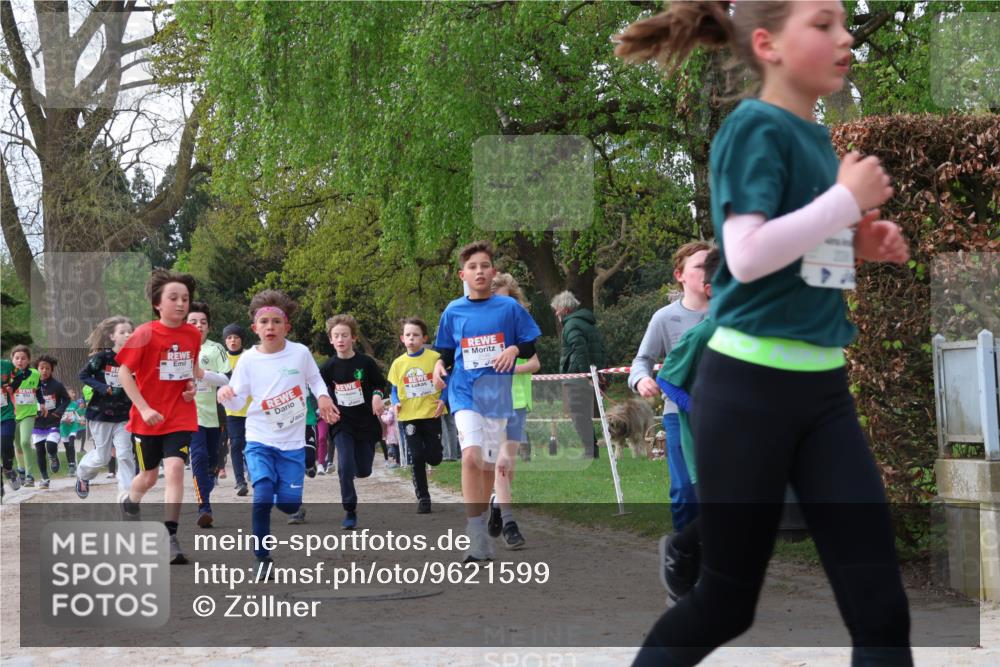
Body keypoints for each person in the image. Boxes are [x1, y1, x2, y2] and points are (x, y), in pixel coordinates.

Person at [616, 2, 912, 664]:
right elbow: (744, 256)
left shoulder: (813, 138)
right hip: (748, 392)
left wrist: (860, 241)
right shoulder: (752, 127)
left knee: (882, 609)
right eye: (824, 23)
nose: (845, 38)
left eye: (844, 23)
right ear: (767, 44)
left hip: (824, 392)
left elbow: (798, 247)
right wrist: (844, 201)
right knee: (725, 603)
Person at [433, 241, 541, 563]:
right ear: (461, 274)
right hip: (464, 392)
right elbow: (447, 355)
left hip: (496, 394)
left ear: (493, 272)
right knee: (470, 458)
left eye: (484, 266)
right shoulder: (453, 311)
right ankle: (475, 535)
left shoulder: (508, 309)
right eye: (473, 267)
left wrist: (512, 350)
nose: (479, 271)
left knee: (487, 467)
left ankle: (483, 528)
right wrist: (439, 367)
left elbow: (528, 345)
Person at [116, 269, 204, 565]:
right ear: (158, 303)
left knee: (176, 468)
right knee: (148, 477)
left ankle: (170, 536)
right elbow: (123, 372)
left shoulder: (192, 334)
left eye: (186, 299)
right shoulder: (145, 333)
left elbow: (188, 373)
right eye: (174, 298)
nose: (181, 304)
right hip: (147, 418)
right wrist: (143, 407)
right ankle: (130, 502)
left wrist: (191, 388)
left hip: (179, 415)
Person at [628, 240, 712, 534]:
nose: (708, 271)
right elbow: (642, 360)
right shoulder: (665, 318)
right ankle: (684, 552)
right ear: (680, 275)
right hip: (680, 415)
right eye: (700, 266)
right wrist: (642, 379)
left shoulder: (730, 313)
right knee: (685, 491)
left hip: (725, 415)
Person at [654, 247, 720, 606]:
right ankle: (682, 555)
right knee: (695, 498)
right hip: (695, 430)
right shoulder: (696, 331)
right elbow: (665, 378)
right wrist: (693, 407)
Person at [488, 273, 540, 549]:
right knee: (501, 463)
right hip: (491, 400)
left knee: (509, 464)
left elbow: (535, 363)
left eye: (507, 301)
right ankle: (509, 524)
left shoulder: (521, 328)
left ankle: (497, 502)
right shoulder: (483, 328)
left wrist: (513, 365)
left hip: (518, 399)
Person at [321, 314, 387, 530]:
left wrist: (377, 395)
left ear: (354, 338)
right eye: (336, 336)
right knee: (345, 465)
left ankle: (361, 470)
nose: (340, 340)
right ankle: (349, 509)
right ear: (331, 340)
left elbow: (380, 384)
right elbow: (319, 391)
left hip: (366, 423)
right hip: (342, 423)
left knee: (363, 470)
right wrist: (324, 407)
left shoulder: (365, 363)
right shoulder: (328, 367)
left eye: (345, 335)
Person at [387, 317, 446, 513]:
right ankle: (423, 497)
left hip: (431, 413)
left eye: (416, 335)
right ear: (402, 339)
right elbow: (395, 389)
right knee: (417, 456)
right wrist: (395, 403)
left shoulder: (435, 358)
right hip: (409, 416)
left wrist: (443, 399)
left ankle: (436, 452)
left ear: (424, 338)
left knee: (435, 457)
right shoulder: (398, 363)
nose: (411, 338)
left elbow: (447, 381)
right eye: (408, 335)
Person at [76, 316, 137, 499]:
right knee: (103, 457)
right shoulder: (103, 357)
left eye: (130, 332)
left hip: (125, 415)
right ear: (112, 336)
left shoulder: (136, 357)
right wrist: (103, 388)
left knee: (125, 453)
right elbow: (84, 375)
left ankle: (127, 494)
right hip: (100, 414)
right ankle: (82, 474)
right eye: (122, 332)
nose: (127, 335)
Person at [187, 302, 232, 528]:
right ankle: (204, 506)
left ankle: (208, 482)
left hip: (215, 415)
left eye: (203, 322)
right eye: (193, 322)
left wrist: (201, 374)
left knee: (213, 461)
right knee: (199, 457)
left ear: (209, 327)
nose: (198, 326)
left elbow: (227, 378)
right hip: (189, 416)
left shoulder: (216, 350)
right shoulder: (175, 348)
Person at [551, 291, 605, 458]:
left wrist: (585, 375)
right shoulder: (586, 323)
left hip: (577, 376)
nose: (556, 313)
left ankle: (590, 450)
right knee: (582, 413)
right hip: (588, 373)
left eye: (557, 309)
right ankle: (591, 449)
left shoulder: (571, 325)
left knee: (577, 413)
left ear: (565, 309)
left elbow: (580, 352)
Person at [30, 355, 71, 488]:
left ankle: (53, 456)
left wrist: (58, 412)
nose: (44, 371)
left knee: (51, 445)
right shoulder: (31, 384)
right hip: (37, 422)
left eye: (47, 368)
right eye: (42, 368)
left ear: (52, 370)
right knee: (39, 450)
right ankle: (44, 478)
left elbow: (66, 399)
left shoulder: (57, 385)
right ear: (37, 369)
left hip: (52, 420)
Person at [222, 322, 251, 496]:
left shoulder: (249, 356)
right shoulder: (222, 358)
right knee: (236, 444)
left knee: (252, 444)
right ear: (225, 341)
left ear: (241, 340)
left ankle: (254, 475)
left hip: (252, 409)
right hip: (231, 411)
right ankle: (240, 481)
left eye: (236, 337)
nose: (233, 341)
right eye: (229, 337)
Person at [9, 345, 40, 486]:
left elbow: (38, 391)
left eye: (23, 358)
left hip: (29, 413)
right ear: (12, 359)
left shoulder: (35, 374)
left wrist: (43, 403)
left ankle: (30, 475)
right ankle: (21, 469)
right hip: (12, 414)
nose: (20, 361)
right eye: (17, 358)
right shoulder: (7, 375)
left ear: (28, 360)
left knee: (25, 442)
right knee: (17, 445)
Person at [1, 357, 21, 493]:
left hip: (6, 415)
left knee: (6, 444)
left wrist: (12, 387)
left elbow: (20, 375)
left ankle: (8, 469)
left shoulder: (7, 365)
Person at [58, 387, 87, 476]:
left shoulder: (75, 404)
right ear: (66, 394)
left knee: (71, 443)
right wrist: (63, 420)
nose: (74, 394)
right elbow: (57, 416)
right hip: (64, 428)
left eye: (74, 393)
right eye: (72, 393)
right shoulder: (61, 404)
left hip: (73, 427)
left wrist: (81, 421)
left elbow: (77, 414)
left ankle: (73, 464)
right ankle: (71, 465)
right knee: (67, 447)